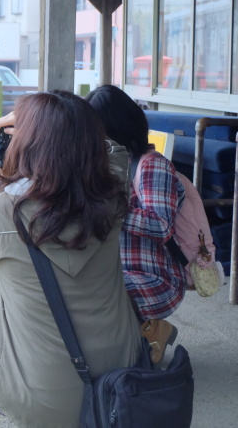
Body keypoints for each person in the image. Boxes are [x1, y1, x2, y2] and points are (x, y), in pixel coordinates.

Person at [0, 91, 143, 428]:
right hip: (120, 385)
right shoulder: (112, 196)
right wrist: (71, 126)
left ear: (28, 146)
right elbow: (117, 154)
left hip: (37, 404)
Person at [85, 85, 186, 364]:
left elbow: (162, 226)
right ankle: (145, 336)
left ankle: (150, 331)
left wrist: (110, 208)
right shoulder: (103, 165)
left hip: (155, 278)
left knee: (101, 295)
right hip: (117, 272)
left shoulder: (152, 166)